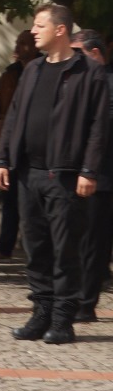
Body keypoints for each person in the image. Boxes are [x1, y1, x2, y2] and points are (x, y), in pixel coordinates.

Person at [0, 3, 108, 345]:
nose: (33, 31)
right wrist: (3, 160)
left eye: (39, 25)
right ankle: (41, 313)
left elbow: (99, 126)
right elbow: (14, 117)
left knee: (65, 250)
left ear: (60, 30)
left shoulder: (89, 72)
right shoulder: (33, 70)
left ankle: (63, 320)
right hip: (29, 174)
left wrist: (89, 170)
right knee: (36, 248)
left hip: (66, 176)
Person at [0, 30, 40, 261]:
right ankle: (4, 247)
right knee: (10, 199)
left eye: (23, 43)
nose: (18, 47)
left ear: (35, 46)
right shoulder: (10, 74)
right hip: (10, 147)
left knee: (34, 204)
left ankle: (37, 251)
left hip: (34, 149)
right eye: (17, 42)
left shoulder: (44, 70)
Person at [69, 30, 112, 323]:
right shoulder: (79, 81)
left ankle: (85, 302)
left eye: (78, 54)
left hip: (101, 176)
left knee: (92, 243)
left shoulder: (106, 83)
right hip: (76, 173)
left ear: (95, 54)